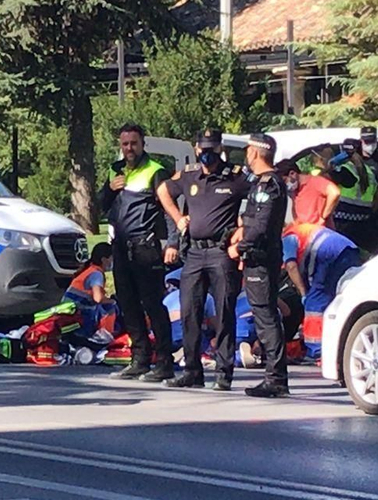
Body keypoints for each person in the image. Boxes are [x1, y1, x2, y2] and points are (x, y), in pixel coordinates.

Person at [157, 129, 248, 390]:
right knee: (190, 312)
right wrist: (178, 219)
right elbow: (163, 190)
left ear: (220, 149)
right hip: (195, 253)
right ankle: (192, 371)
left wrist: (243, 229)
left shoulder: (235, 176)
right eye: (203, 149)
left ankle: (223, 373)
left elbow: (258, 202)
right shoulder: (189, 175)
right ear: (196, 149)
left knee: (224, 312)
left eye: (212, 149)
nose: (207, 154)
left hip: (221, 252)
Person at [98, 123, 175, 382]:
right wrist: (110, 189)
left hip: (145, 247)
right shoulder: (115, 170)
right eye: (125, 144)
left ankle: (164, 363)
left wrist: (172, 243)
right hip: (120, 248)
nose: (129, 148)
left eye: (133, 143)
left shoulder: (155, 171)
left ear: (142, 144)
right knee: (128, 306)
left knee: (153, 305)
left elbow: (169, 210)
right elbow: (101, 205)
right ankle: (139, 360)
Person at [230, 134, 290, 398]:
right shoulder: (259, 183)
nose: (246, 155)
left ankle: (275, 379)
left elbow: (261, 226)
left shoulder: (269, 184)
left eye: (248, 151)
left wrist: (239, 247)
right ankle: (274, 376)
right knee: (264, 315)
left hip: (262, 259)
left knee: (266, 317)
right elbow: (250, 221)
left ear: (255, 152)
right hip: (257, 258)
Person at [282, 221, 361, 315]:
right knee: (346, 292)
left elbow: (291, 266)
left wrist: (303, 293)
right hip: (349, 250)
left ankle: (314, 324)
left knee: (315, 302)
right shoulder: (300, 229)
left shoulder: (287, 238)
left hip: (327, 255)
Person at [328, 136, 378, 257]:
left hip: (342, 223)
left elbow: (321, 180)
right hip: (363, 223)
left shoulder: (344, 170)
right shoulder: (369, 172)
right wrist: (366, 211)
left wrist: (330, 164)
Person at [63, 242, 116, 331]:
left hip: (71, 310)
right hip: (77, 313)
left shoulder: (90, 270)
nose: (113, 261)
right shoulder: (96, 274)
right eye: (112, 258)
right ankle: (107, 334)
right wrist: (112, 301)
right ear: (104, 260)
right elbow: (98, 298)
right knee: (110, 307)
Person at [279, 160, 341, 227]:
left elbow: (335, 193)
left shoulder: (314, 181)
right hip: (305, 230)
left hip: (319, 230)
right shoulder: (294, 190)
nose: (285, 185)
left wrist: (323, 217)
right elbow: (294, 208)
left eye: (285, 180)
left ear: (292, 173)